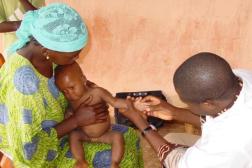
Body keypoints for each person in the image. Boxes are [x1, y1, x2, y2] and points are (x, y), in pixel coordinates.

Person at [0, 3, 143, 168]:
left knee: (129, 136)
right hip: (41, 154)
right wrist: (76, 120)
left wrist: (90, 96)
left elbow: (68, 88)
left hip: (63, 128)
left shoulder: (49, 59)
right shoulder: (23, 84)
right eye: (73, 56)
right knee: (121, 159)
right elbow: (29, 152)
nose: (77, 58)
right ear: (47, 50)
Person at [119, 52, 252, 168]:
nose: (187, 106)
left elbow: (177, 163)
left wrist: (142, 124)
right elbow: (222, 117)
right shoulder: (240, 77)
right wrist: (174, 112)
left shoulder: (226, 143)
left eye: (188, 103)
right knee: (172, 137)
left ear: (208, 103)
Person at [55, 62, 146, 168]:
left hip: (104, 134)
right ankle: (80, 160)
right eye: (65, 91)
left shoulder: (97, 92)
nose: (69, 94)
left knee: (117, 137)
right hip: (85, 135)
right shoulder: (71, 100)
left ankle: (114, 163)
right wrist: (69, 113)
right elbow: (71, 113)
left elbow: (115, 102)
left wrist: (131, 104)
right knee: (74, 135)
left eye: (72, 87)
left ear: (83, 79)